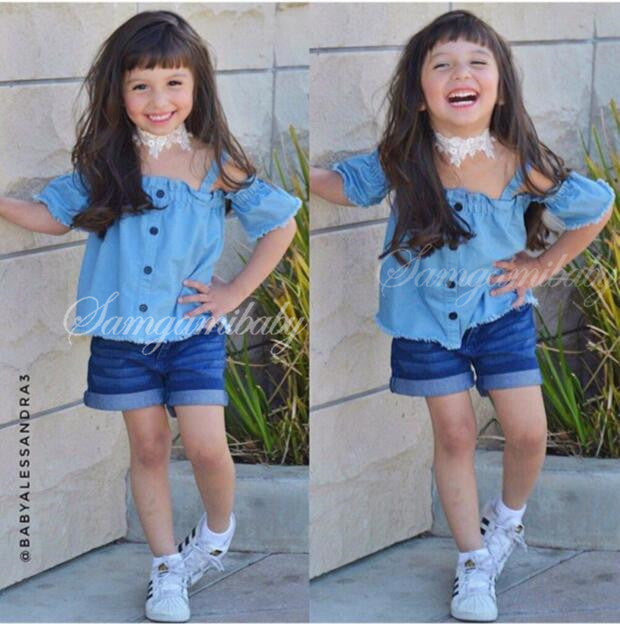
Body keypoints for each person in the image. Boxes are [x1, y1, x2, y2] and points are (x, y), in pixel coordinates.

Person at [310, 9, 614, 623]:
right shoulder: (402, 158)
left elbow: (596, 204)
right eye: (442, 64)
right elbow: (343, 185)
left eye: (478, 62)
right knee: (454, 436)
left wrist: (543, 264)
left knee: (528, 433)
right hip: (425, 324)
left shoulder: (518, 158)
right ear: (421, 95)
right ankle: (472, 560)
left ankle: (504, 521)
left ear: (498, 85)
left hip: (498, 315)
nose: (461, 73)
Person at [0, 11, 302, 623]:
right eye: (141, 85)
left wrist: (234, 292)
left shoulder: (215, 161)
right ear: (119, 92)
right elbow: (49, 216)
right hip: (123, 338)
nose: (158, 99)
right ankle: (166, 566)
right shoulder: (105, 166)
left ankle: (216, 533)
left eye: (173, 83)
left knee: (208, 447)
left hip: (192, 333)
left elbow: (281, 225)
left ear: (197, 88)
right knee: (148, 448)